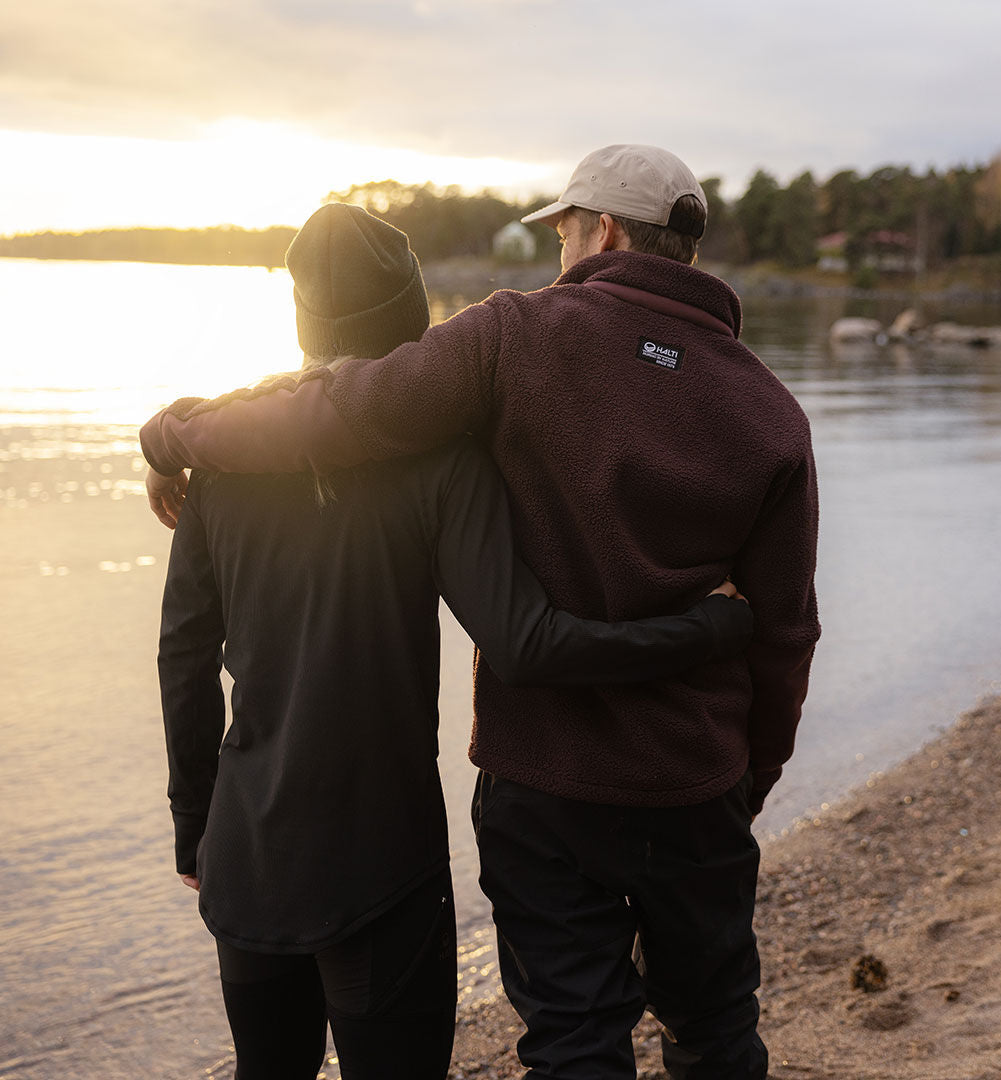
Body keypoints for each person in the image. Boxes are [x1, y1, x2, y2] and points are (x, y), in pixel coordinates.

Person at [143, 145, 820, 1079]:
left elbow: (342, 412)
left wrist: (176, 431)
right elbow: (786, 632)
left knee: (575, 1039)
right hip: (684, 784)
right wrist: (750, 768)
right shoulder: (773, 410)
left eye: (564, 234)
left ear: (605, 231)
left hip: (518, 789)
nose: (557, 257)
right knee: (714, 1030)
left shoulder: (512, 338)